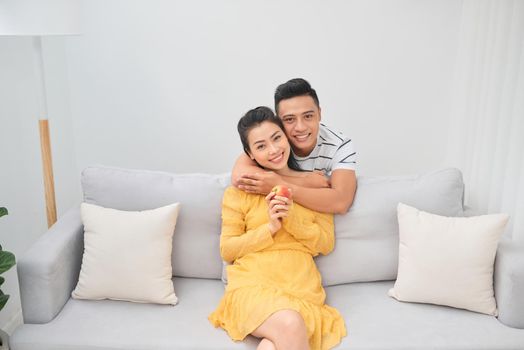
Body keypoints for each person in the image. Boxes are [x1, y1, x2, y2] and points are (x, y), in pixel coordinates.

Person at [208, 106, 346, 350]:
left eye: (276, 138)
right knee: (291, 323)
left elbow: (325, 243)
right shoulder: (239, 193)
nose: (273, 150)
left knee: (271, 345)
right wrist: (270, 228)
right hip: (253, 287)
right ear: (250, 154)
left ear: (286, 136)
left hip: (301, 290)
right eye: (261, 146)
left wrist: (291, 216)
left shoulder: (315, 189)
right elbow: (227, 250)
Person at [232, 78, 357, 214]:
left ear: (319, 113)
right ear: (279, 121)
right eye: (289, 119)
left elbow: (341, 202)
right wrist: (304, 180)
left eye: (308, 116)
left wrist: (280, 184)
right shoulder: (276, 139)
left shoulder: (340, 145)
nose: (300, 127)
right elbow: (239, 176)